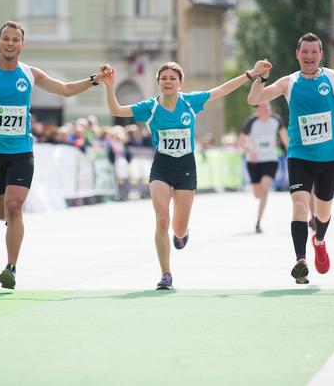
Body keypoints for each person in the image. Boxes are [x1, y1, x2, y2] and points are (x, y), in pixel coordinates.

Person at [0, 20, 110, 290]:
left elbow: (66, 89)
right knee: (1, 213)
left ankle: (11, 267)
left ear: (22, 45)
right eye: (6, 39)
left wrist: (95, 79)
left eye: (15, 39)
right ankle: (10, 228)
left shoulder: (30, 73)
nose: (10, 43)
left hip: (22, 153)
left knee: (15, 207)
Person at [100, 59, 272, 290]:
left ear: (180, 83)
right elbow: (116, 110)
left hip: (186, 169)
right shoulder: (150, 107)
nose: (168, 82)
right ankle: (166, 274)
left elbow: (221, 90)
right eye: (164, 79)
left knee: (178, 229)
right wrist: (110, 86)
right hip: (161, 166)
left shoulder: (190, 102)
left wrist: (250, 74)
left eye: (172, 78)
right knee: (162, 219)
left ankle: (184, 232)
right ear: (158, 83)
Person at [247, 32, 334, 285]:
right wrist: (259, 77)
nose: (309, 56)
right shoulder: (288, 82)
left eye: (314, 52)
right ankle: (300, 261)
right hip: (299, 155)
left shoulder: (332, 77)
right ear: (297, 54)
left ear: (321, 55)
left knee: (323, 214)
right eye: (304, 51)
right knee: (300, 206)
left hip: (328, 158)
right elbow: (254, 99)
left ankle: (319, 241)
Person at [239, 102, 289, 233]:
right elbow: (241, 142)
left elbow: (285, 138)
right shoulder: (251, 122)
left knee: (265, 189)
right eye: (263, 106)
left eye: (268, 106)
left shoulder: (276, 120)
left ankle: (258, 222)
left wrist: (291, 152)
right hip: (254, 161)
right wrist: (250, 149)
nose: (267, 109)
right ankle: (259, 216)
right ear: (257, 109)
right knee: (257, 194)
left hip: (270, 160)